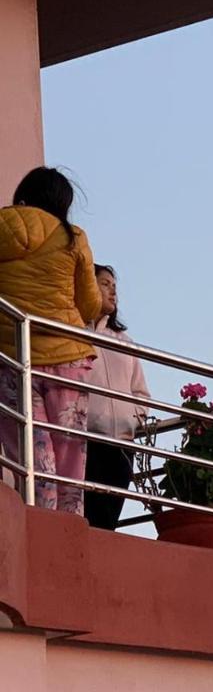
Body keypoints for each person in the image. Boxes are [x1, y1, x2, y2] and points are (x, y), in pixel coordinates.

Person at [0, 166, 101, 515]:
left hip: (13, 356)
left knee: (30, 451)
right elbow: (91, 304)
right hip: (67, 357)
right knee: (69, 451)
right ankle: (66, 528)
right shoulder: (72, 236)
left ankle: (36, 518)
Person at [83, 265, 149, 529]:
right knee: (87, 517)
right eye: (104, 283)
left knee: (108, 522)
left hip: (121, 444)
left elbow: (141, 392)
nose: (112, 291)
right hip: (87, 439)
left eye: (114, 285)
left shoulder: (125, 342)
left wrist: (131, 421)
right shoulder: (74, 334)